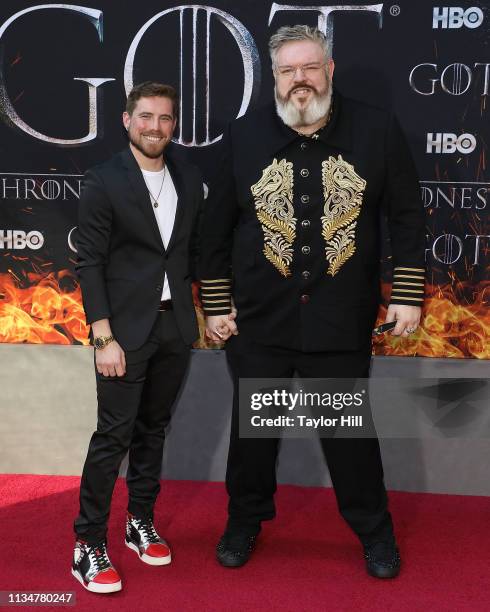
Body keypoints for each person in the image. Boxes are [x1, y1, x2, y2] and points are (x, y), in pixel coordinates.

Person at [199, 25, 425, 578]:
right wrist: (216, 303)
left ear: (329, 70)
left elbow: (407, 215)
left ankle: (375, 532)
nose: (299, 80)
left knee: (347, 436)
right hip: (259, 320)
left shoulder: (375, 127)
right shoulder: (245, 134)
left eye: (308, 67)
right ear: (274, 77)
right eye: (286, 70)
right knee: (254, 436)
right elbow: (214, 229)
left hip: (339, 318)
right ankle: (244, 523)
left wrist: (410, 293)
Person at [72, 82, 203, 593]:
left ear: (174, 125)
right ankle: (87, 544)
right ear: (127, 121)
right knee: (113, 438)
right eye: (145, 116)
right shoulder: (104, 181)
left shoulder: (189, 179)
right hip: (122, 332)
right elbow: (90, 262)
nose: (155, 126)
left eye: (165, 118)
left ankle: (138, 522)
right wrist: (103, 336)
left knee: (154, 430)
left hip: (174, 325)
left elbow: (192, 253)